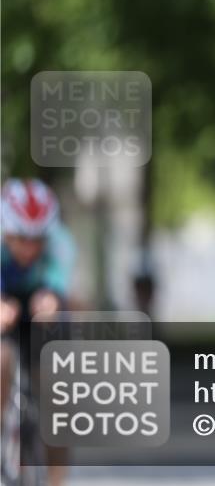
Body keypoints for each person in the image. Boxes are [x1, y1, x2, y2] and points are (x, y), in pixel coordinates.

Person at [1, 178, 75, 486]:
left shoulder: (61, 243)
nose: (30, 248)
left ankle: (56, 480)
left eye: (38, 239)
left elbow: (59, 282)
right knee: (2, 359)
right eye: (21, 239)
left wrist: (51, 298)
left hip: (42, 308)